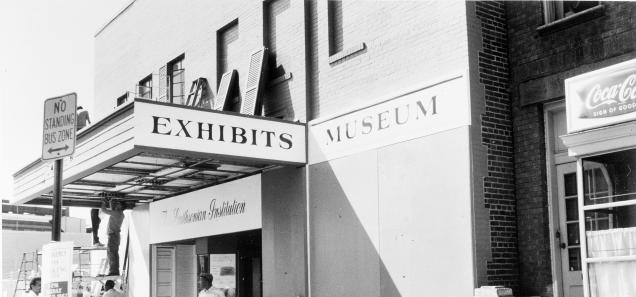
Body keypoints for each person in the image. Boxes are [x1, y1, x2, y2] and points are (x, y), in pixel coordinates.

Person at [101, 198, 124, 276]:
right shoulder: (119, 213)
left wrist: (103, 202)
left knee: (112, 253)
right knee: (112, 253)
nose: (116, 205)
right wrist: (110, 201)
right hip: (114, 235)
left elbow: (104, 210)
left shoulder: (116, 213)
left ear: (120, 207)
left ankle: (113, 271)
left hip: (113, 235)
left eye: (118, 204)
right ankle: (114, 271)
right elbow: (111, 209)